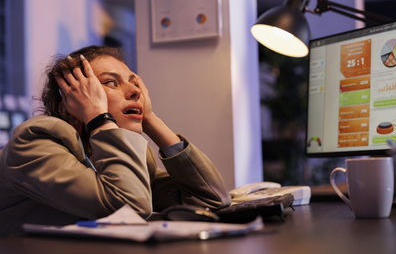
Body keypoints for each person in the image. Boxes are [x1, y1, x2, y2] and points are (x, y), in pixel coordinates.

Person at [0, 45, 231, 234]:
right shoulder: (36, 142)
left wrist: (150, 118)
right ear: (70, 103)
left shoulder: (117, 150)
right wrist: (98, 117)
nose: (134, 92)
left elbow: (212, 200)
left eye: (134, 84)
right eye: (111, 82)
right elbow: (130, 208)